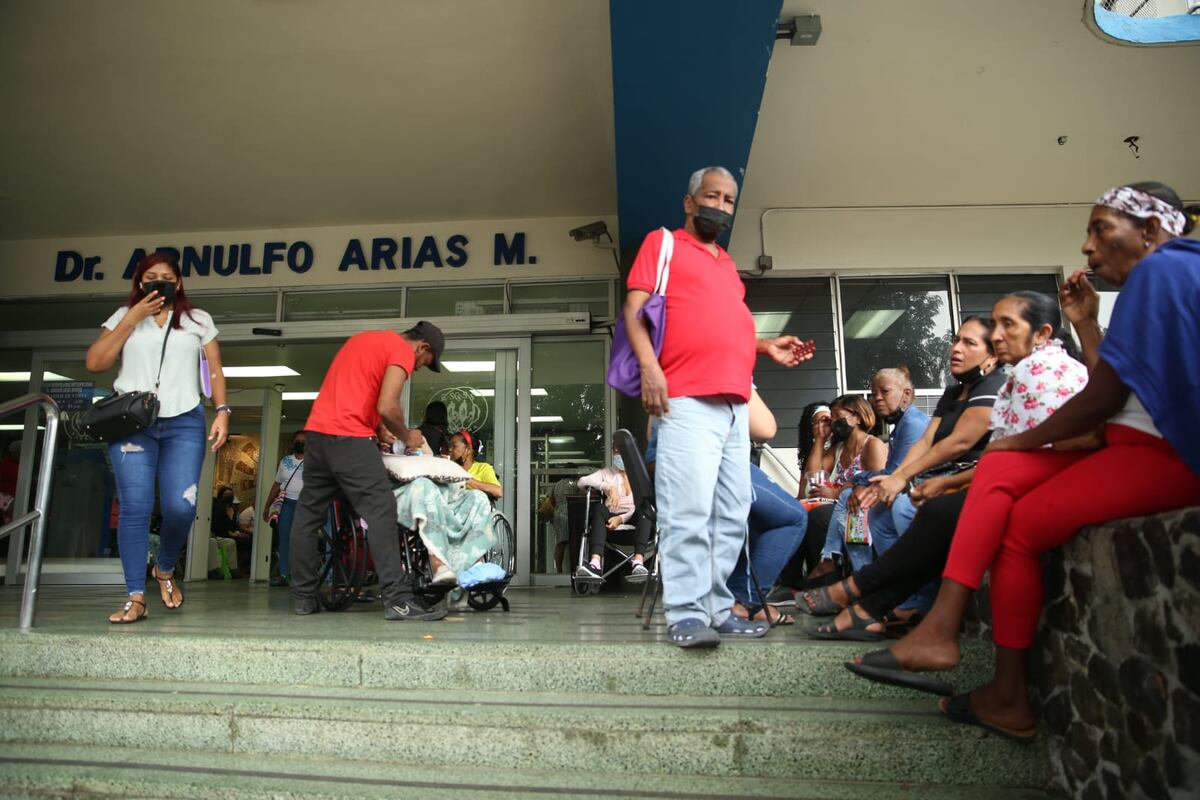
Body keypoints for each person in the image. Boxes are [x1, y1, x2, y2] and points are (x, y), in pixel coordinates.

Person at [849, 182, 1200, 742]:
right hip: (1134, 446)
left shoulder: (1160, 273)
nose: (1087, 247)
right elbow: (1121, 376)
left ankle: (970, 656)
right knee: (1000, 478)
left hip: (1169, 455)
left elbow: (1106, 397)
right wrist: (1087, 321)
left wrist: (1016, 443)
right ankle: (958, 646)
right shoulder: (1169, 276)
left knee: (1006, 492)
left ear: (1152, 231)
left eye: (1101, 230)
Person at [811, 292, 1087, 640]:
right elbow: (996, 453)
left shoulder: (1025, 375)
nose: (997, 334)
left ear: (1042, 333)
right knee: (905, 510)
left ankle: (868, 597)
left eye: (1006, 326)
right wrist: (903, 478)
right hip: (994, 476)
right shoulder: (1011, 376)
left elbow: (983, 448)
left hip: (1019, 479)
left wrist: (932, 481)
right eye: (956, 339)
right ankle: (884, 605)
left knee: (929, 512)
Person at [623, 165, 812, 648]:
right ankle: (686, 614)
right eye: (712, 197)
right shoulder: (663, 244)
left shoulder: (727, 265)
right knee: (688, 512)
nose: (721, 207)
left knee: (732, 511)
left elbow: (724, 327)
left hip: (732, 407)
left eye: (729, 200)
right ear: (690, 202)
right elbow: (634, 310)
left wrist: (766, 347)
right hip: (684, 399)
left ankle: (717, 607)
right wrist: (650, 370)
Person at [801, 318, 1003, 617]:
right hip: (937, 476)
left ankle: (890, 592)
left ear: (992, 355)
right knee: (878, 513)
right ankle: (899, 595)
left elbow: (959, 444)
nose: (956, 349)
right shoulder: (950, 394)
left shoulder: (993, 386)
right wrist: (895, 479)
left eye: (969, 343)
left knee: (896, 507)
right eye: (956, 340)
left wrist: (896, 480)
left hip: (970, 474)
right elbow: (927, 443)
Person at [85, 250, 229, 624]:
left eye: (166, 277)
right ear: (139, 283)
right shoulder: (123, 318)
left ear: (178, 283)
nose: (158, 283)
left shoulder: (198, 320)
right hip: (133, 423)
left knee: (181, 506)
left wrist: (223, 411)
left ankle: (164, 569)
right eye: (150, 278)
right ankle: (135, 596)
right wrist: (132, 319)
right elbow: (96, 362)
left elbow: (214, 370)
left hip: (184, 421)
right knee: (135, 507)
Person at [289, 321, 447, 621]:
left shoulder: (363, 340)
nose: (416, 369)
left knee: (308, 517)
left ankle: (303, 597)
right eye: (423, 364)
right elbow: (388, 405)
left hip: (317, 437)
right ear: (422, 347)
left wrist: (378, 428)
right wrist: (405, 435)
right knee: (382, 510)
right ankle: (398, 600)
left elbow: (354, 390)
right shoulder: (401, 350)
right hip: (349, 439)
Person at [729, 388, 808, 625]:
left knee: (756, 517)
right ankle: (748, 601)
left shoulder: (669, 366)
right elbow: (765, 429)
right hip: (723, 464)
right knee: (793, 517)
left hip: (677, 468)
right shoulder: (727, 363)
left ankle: (734, 597)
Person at [573, 447, 652, 584]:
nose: (619, 455)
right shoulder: (607, 473)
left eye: (622, 451)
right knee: (599, 508)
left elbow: (650, 505)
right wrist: (608, 487)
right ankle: (595, 563)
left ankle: (638, 562)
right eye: (616, 452)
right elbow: (581, 482)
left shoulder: (640, 475)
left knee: (644, 509)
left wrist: (621, 519)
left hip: (636, 523)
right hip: (609, 523)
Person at [263, 430, 306, 585]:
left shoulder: (314, 460)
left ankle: (301, 575)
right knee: (284, 539)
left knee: (302, 540)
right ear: (293, 443)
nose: (301, 442)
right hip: (286, 503)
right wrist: (267, 506)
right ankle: (283, 575)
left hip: (305, 505)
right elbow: (276, 485)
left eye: (304, 440)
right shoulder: (285, 461)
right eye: (298, 440)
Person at [449, 431, 502, 500]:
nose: (449, 449)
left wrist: (467, 479)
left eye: (454, 446)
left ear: (468, 449)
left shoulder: (483, 468)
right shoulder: (449, 468)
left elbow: (498, 492)